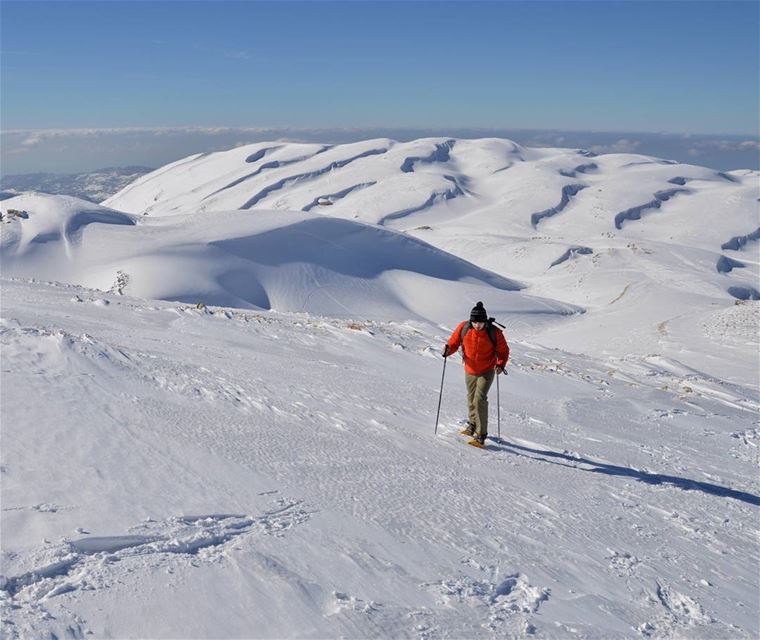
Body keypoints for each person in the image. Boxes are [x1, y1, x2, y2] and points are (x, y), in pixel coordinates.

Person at [442, 301, 509, 448]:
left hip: (487, 370)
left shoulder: (494, 332)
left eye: (480, 322)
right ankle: (472, 425)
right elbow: (454, 343)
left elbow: (504, 351)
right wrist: (448, 350)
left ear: (485, 321)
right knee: (471, 398)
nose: (477, 325)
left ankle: (481, 434)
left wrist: (500, 364)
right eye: (475, 322)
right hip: (470, 369)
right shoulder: (464, 328)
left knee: (479, 399)